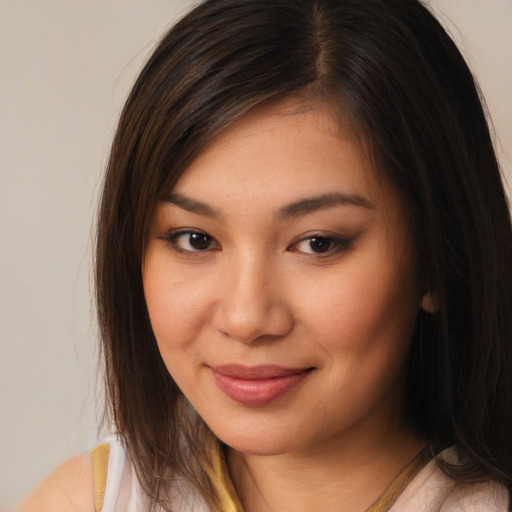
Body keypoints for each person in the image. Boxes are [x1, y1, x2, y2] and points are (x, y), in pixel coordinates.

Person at [19, 0, 512, 510]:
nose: (247, 318)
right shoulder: (87, 499)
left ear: (438, 255)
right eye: (195, 239)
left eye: (317, 243)